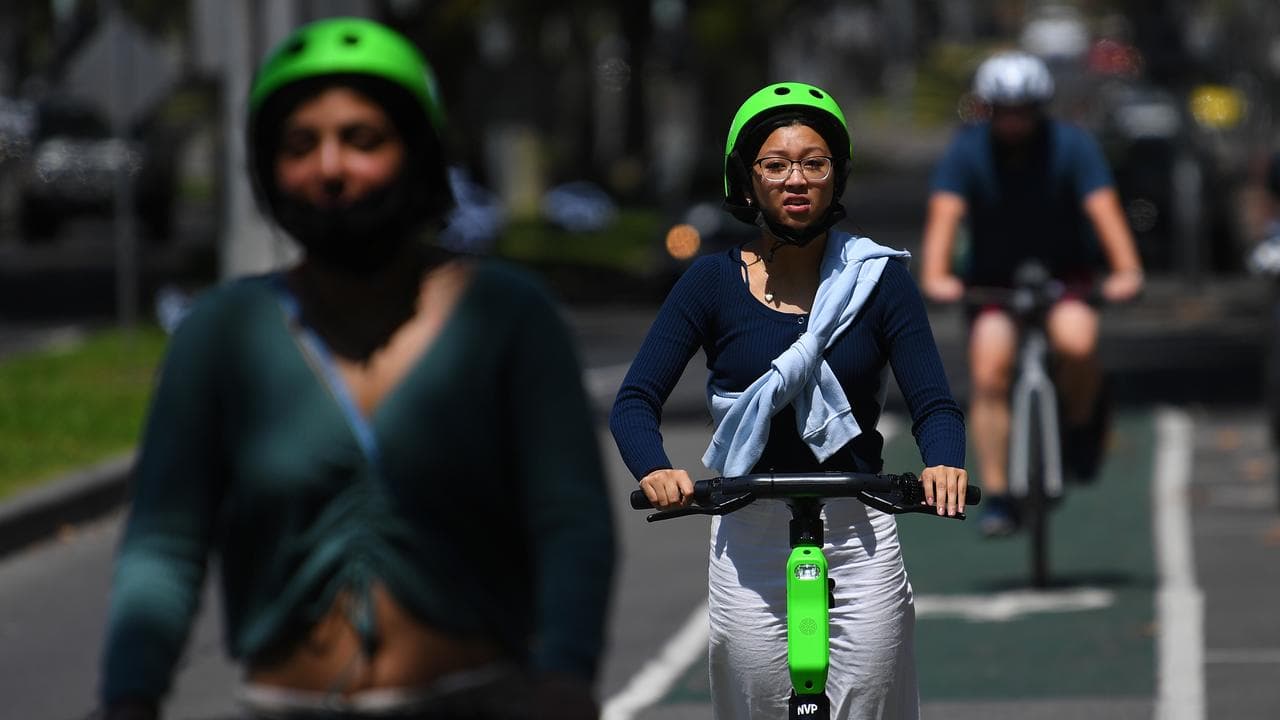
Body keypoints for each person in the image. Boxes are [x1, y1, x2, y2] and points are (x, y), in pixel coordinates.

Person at [97, 17, 614, 720]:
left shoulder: (507, 318)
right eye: (299, 146)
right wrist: (130, 694)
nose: (330, 169)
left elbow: (570, 520)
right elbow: (165, 540)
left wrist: (566, 672)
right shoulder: (222, 335)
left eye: (362, 140)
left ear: (419, 154)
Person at [610, 81, 968, 720]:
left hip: (859, 524)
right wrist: (655, 469)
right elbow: (635, 399)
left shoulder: (879, 279)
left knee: (871, 703)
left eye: (814, 163)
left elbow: (935, 404)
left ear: (837, 177)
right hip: (748, 525)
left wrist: (942, 462)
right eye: (775, 165)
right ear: (747, 183)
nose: (795, 179)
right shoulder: (711, 282)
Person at [918, 50, 1145, 537]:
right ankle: (1000, 495)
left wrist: (1125, 271)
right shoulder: (966, 151)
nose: (1015, 121)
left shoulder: (1073, 146)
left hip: (1065, 276)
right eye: (1004, 110)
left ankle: (1083, 423)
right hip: (993, 284)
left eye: (1025, 110)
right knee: (990, 368)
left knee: (1077, 343)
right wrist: (938, 276)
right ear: (987, 110)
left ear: (1041, 108)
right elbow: (944, 221)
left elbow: (1104, 213)